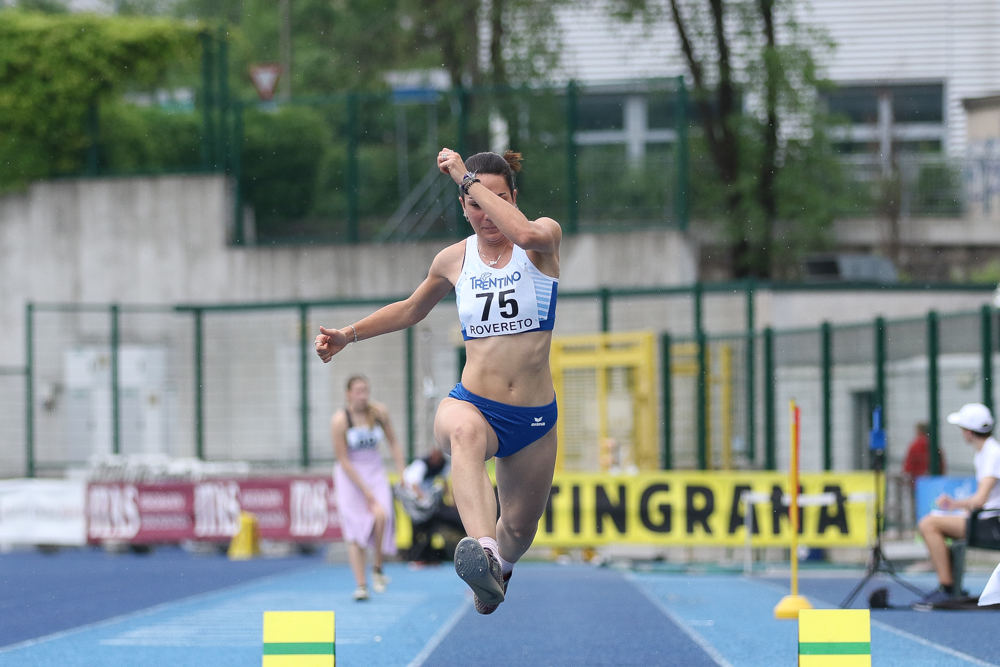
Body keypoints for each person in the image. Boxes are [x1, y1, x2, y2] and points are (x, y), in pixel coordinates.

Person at [316, 147, 560, 615]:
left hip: (533, 420)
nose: (485, 212)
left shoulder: (541, 239)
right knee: (464, 432)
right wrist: (348, 334)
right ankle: (483, 552)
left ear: (513, 198)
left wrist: (467, 179)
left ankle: (500, 571)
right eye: (474, 204)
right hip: (474, 404)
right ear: (463, 209)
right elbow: (410, 309)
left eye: (496, 199)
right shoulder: (453, 259)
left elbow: (525, 231)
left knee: (519, 530)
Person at [916, 403, 1000, 605]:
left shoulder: (992, 453)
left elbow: (980, 499)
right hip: (989, 519)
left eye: (962, 428)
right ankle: (951, 587)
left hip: (993, 523)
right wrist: (956, 506)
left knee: (928, 524)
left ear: (969, 432)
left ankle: (947, 588)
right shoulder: (986, 452)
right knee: (933, 522)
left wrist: (953, 505)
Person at [332, 375, 407, 601]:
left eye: (365, 391)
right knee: (355, 529)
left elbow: (393, 442)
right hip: (350, 477)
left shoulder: (379, 412)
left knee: (382, 516)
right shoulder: (340, 420)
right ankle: (361, 585)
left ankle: (378, 567)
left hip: (374, 471)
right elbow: (343, 459)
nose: (363, 396)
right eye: (358, 391)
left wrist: (402, 471)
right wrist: (364, 490)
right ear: (348, 394)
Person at [399, 447, 466, 562]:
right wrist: (424, 499)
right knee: (419, 523)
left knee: (430, 519)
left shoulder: (442, 465)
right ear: (431, 456)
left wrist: (451, 501)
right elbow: (414, 486)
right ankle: (416, 556)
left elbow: (445, 482)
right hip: (409, 497)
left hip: (422, 498)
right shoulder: (420, 465)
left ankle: (425, 555)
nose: (436, 459)